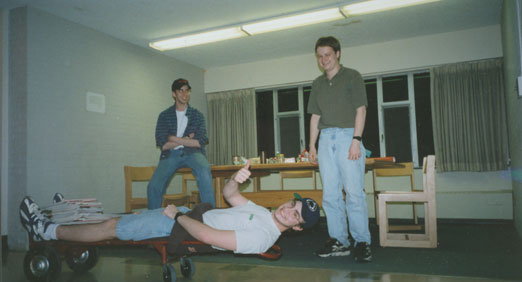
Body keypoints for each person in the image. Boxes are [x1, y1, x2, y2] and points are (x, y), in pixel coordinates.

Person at [19, 162, 320, 255]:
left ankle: (46, 230)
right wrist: (235, 179)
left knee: (114, 228)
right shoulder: (263, 213)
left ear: (296, 228)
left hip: (178, 224)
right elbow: (230, 194)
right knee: (121, 219)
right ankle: (63, 214)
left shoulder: (263, 237)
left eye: (295, 215)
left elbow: (209, 237)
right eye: (293, 204)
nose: (288, 209)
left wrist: (178, 215)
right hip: (183, 218)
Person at [307, 36, 371, 262]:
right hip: (325, 139)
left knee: (354, 193)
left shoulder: (352, 76)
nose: (323, 59)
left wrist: (356, 139)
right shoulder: (317, 83)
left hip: (347, 137)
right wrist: (311, 145)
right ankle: (339, 240)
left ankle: (362, 241)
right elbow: (315, 116)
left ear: (338, 54)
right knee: (331, 195)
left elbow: (360, 110)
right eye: (320, 56)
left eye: (328, 54)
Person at [147, 78, 215, 209]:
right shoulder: (164, 116)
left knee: (205, 171)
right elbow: (163, 144)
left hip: (193, 153)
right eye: (181, 91)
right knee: (154, 186)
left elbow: (199, 143)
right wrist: (187, 138)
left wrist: (173, 138)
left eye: (187, 91)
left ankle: (210, 215)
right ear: (174, 94)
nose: (185, 94)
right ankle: (153, 219)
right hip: (170, 154)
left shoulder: (197, 115)